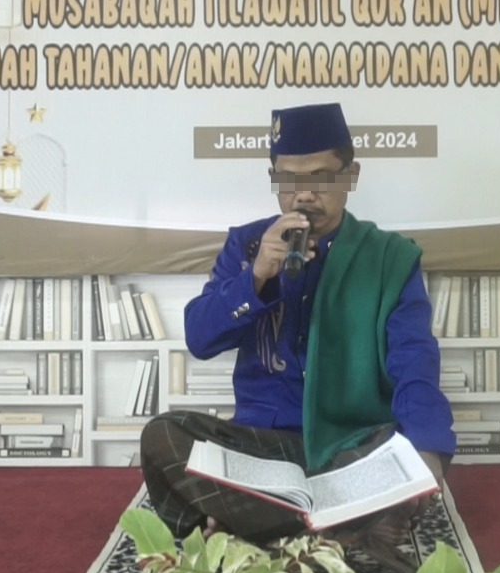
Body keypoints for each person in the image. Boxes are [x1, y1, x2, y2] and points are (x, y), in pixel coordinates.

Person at [139, 102, 456, 547]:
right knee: (163, 437)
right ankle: (345, 525)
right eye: (288, 180)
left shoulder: (390, 258)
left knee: (397, 456)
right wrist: (256, 279)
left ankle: (243, 525)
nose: (303, 195)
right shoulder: (247, 246)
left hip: (349, 447)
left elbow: (414, 363)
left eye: (321, 178)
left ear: (351, 176)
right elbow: (199, 338)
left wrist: (427, 451)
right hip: (262, 450)